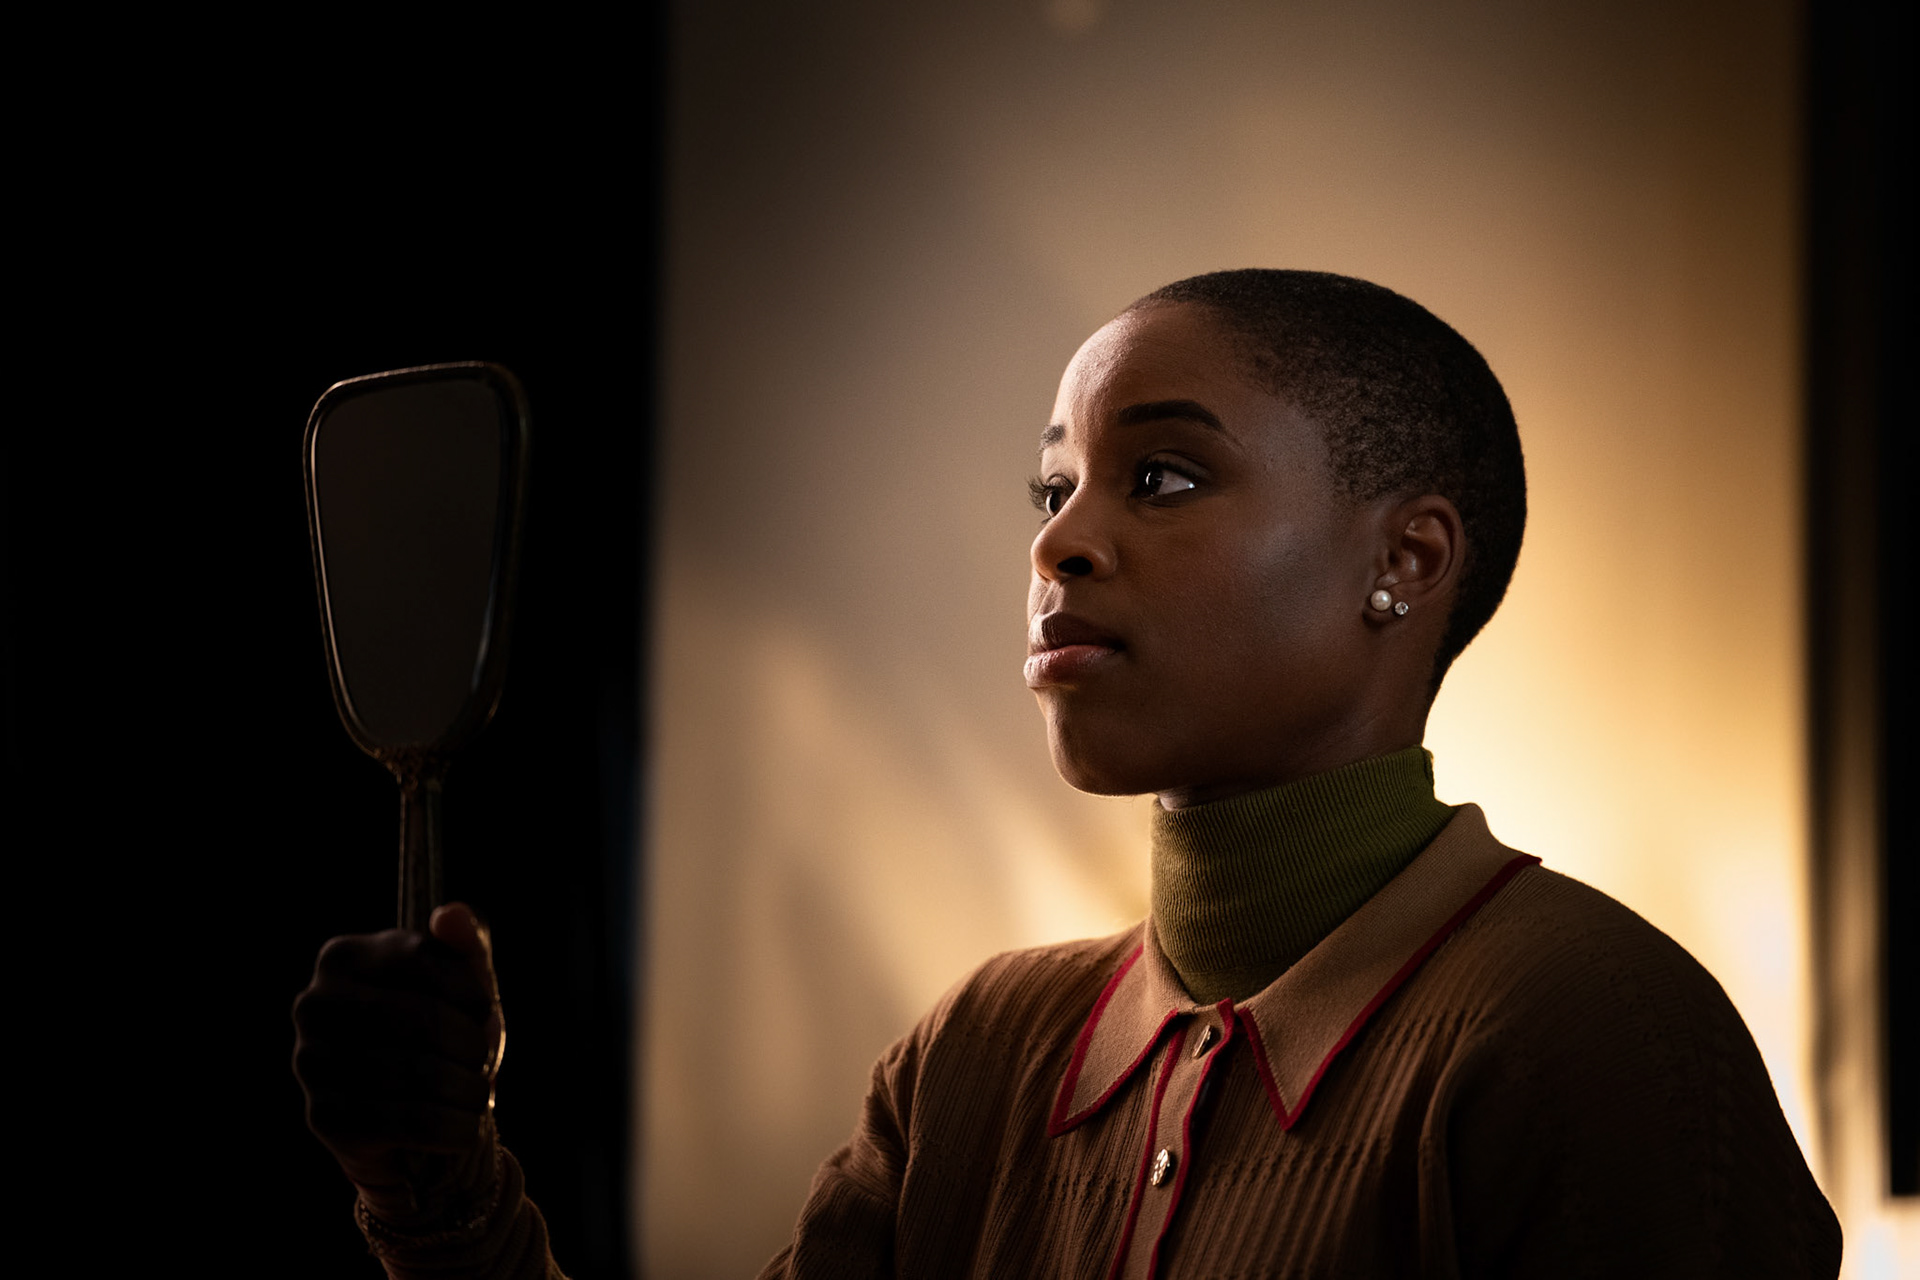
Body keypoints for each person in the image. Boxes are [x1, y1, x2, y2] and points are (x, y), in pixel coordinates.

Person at [295, 269, 1842, 1278]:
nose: (1061, 544)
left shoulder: (1589, 1033)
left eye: (1161, 476)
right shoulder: (976, 1053)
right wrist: (438, 1182)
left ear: (1409, 560)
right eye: (1053, 488)